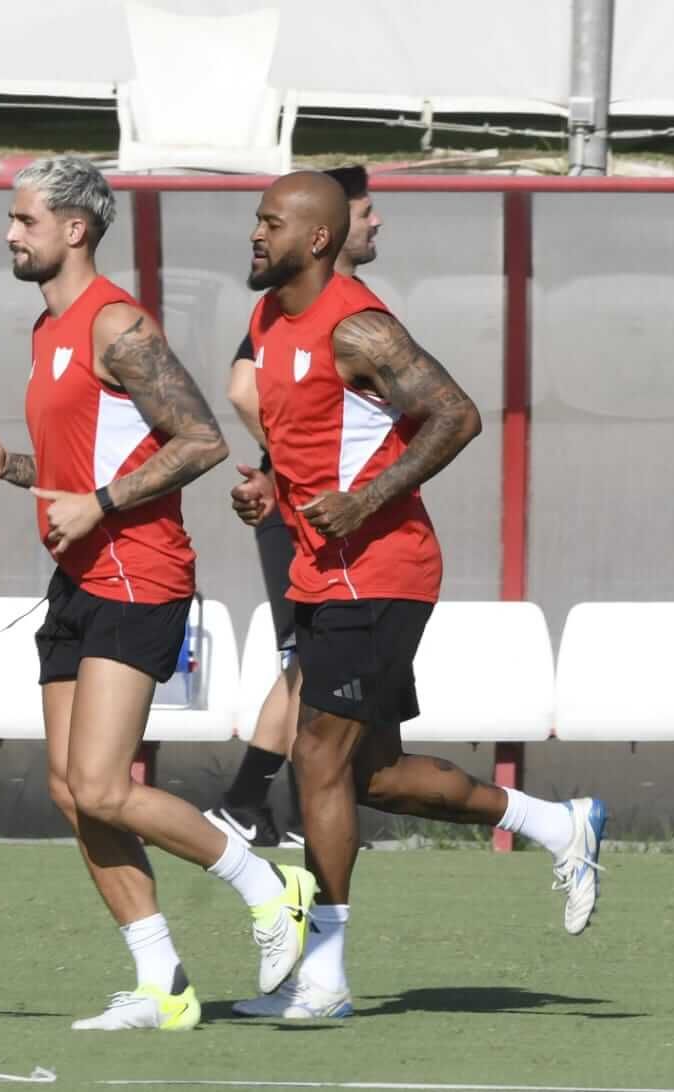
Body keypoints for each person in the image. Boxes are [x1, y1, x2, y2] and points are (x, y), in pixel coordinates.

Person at [228, 171, 607, 1020]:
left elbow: (456, 415)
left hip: (382, 569)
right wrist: (271, 491)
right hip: (319, 570)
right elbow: (319, 442)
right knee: (377, 778)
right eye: (255, 220)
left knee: (315, 757)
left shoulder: (357, 324)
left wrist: (363, 501)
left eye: (271, 222)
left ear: (318, 239)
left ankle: (321, 973)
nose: (255, 234)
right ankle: (560, 825)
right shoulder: (266, 319)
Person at [0, 156, 316, 1031]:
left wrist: (105, 504)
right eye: (11, 221)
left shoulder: (114, 322)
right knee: (70, 789)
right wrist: (16, 471)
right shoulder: (46, 335)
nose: (10, 234)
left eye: (25, 221)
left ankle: (268, 887)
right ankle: (164, 984)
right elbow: (87, 470)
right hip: (79, 580)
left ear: (74, 229)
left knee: (105, 786)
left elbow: (197, 439)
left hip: (140, 575)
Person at [207, 165, 380, 849]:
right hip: (306, 512)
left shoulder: (346, 307)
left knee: (314, 662)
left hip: (323, 509)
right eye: (366, 211)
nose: (375, 223)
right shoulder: (290, 306)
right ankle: (255, 800)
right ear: (326, 231)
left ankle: (274, 802)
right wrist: (289, 467)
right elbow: (244, 388)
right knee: (309, 661)